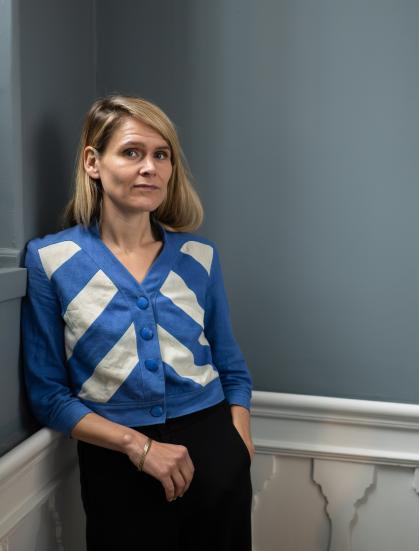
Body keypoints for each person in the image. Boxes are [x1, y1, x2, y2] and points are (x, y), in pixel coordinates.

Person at [20, 95, 254, 550]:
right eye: (132, 152)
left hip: (214, 453)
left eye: (161, 155)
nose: (150, 167)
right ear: (93, 162)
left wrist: (237, 445)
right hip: (117, 462)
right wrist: (136, 446)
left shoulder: (199, 257)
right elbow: (48, 395)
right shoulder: (51, 260)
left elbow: (231, 368)